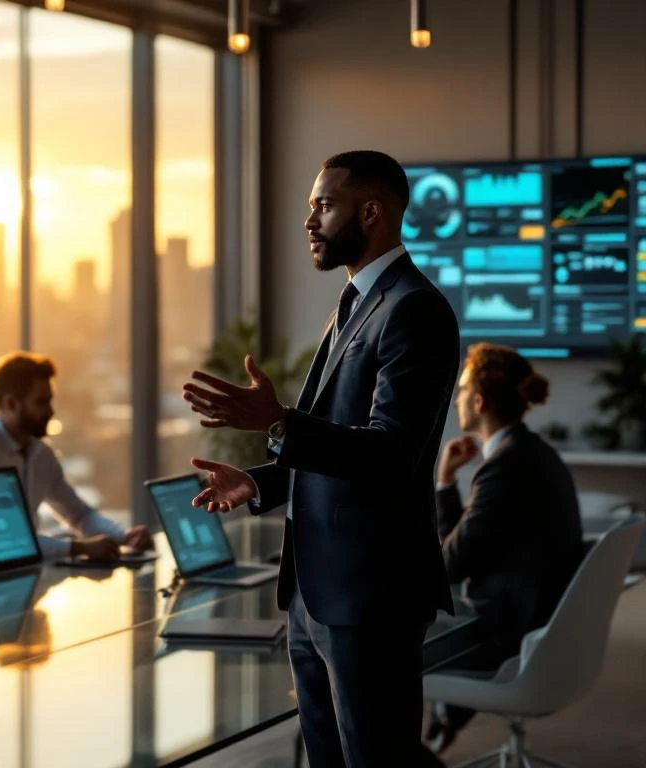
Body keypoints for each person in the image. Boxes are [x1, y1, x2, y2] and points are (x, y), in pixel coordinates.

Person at [181, 150, 460, 765]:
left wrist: (278, 422)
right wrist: (257, 485)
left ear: (372, 211)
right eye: (310, 206)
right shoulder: (356, 302)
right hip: (315, 594)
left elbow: (392, 452)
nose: (309, 220)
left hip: (369, 598)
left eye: (324, 206)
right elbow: (333, 446)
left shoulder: (414, 309)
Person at [422, 343, 584, 760]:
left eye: (460, 391)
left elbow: (451, 565)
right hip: (544, 629)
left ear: (478, 401)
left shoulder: (505, 467)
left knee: (372, 650)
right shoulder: (536, 455)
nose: (456, 398)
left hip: (508, 634)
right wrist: (446, 482)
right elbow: (475, 546)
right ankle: (442, 721)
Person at [0, 352, 152, 562]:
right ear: (11, 404)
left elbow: (79, 515)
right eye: (41, 402)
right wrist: (78, 548)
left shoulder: (39, 453)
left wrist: (124, 536)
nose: (51, 411)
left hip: (22, 573)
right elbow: (5, 539)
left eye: (50, 401)